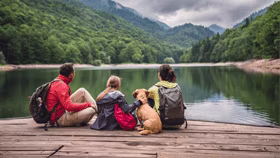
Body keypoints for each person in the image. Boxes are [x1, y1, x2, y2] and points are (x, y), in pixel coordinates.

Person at [148, 64, 185, 129]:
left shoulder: (154, 88)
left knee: (148, 99)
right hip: (179, 123)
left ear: (159, 74)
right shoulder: (177, 87)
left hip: (161, 123)